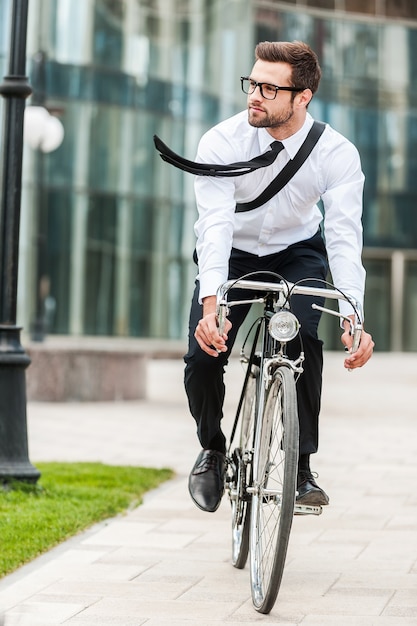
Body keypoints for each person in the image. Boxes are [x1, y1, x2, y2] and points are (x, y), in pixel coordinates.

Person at [156, 40, 374, 513]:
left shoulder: (336, 154)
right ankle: (212, 450)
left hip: (298, 253)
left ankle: (300, 469)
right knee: (204, 356)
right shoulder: (221, 141)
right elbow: (213, 225)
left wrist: (353, 315)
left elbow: (343, 237)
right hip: (232, 254)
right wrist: (212, 307)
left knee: (303, 340)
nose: (254, 95)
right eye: (252, 83)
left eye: (269, 89)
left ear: (303, 97)